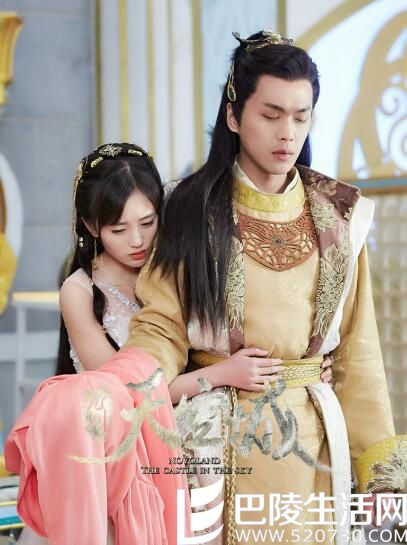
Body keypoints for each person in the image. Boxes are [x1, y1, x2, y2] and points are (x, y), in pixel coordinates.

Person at [123, 32, 406, 544]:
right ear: (234, 116)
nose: (287, 134)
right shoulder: (188, 208)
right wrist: (123, 387)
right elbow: (161, 327)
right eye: (271, 115)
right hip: (215, 447)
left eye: (301, 117)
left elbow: (359, 354)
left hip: (315, 446)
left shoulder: (340, 217)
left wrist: (382, 483)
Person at [8, 142, 332, 545]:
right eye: (118, 229)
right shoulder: (79, 291)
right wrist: (219, 374)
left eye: (148, 222)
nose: (137, 240)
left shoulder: (178, 264)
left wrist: (306, 367)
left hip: (195, 437)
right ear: (91, 227)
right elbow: (126, 393)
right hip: (126, 455)